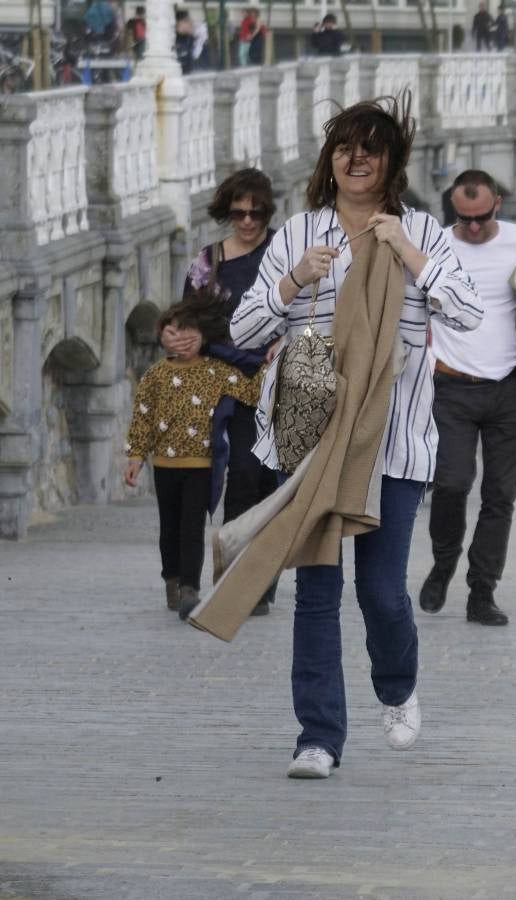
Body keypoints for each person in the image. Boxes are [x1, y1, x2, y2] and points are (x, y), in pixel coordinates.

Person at [228, 95, 482, 779]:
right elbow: (244, 331)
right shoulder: (298, 233)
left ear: (391, 161)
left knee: (382, 593)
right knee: (316, 591)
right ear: (329, 160)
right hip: (312, 438)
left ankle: (397, 686)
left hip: (393, 441)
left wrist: (409, 255)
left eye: (370, 148)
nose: (357, 159)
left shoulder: (421, 231)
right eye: (345, 147)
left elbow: (467, 314)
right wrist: (292, 279)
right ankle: (318, 736)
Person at [418, 171, 516, 627]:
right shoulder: (433, 242)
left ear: (500, 204)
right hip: (451, 385)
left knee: (500, 496)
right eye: (463, 218)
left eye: (482, 217)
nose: (473, 227)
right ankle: (444, 560)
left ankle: (482, 591)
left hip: (510, 388)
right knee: (451, 484)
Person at [163, 169, 280, 616]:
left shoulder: (284, 254)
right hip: (217, 379)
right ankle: (214, 575)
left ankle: (257, 576)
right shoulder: (207, 260)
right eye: (238, 213)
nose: (248, 222)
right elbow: (186, 318)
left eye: (257, 213)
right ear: (226, 213)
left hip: (272, 378)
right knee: (220, 477)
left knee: (264, 478)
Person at [124, 295, 263, 622]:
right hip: (164, 466)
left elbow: (253, 389)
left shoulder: (216, 372)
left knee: (191, 527)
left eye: (186, 331)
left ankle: (190, 588)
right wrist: (135, 456)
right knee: (169, 529)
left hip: (201, 466)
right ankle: (171, 579)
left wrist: (271, 359)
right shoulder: (155, 375)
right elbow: (142, 418)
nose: (178, 338)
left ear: (203, 335)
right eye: (170, 331)